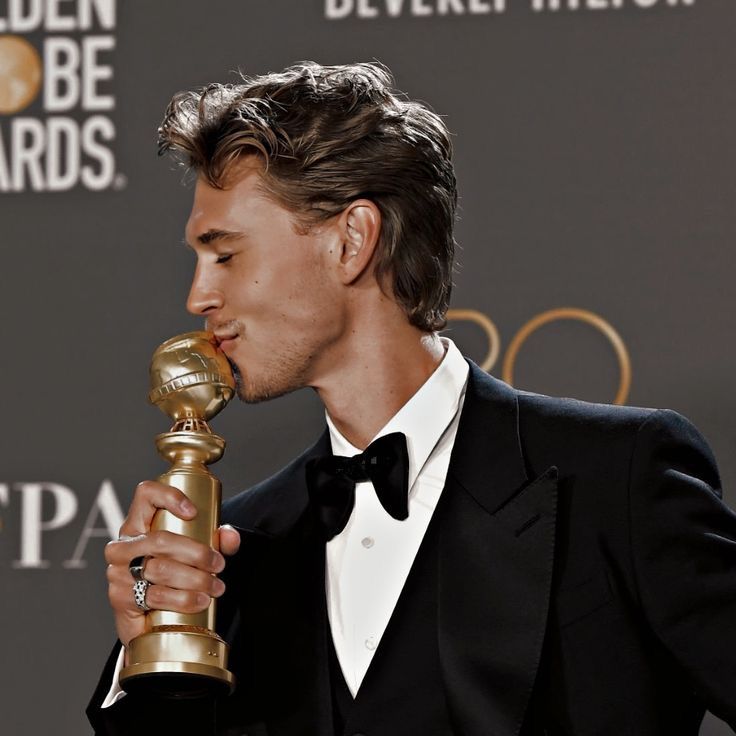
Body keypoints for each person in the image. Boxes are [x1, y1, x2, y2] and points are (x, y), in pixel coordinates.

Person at [88, 62, 736, 736]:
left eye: (224, 254)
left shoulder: (614, 479)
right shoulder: (240, 548)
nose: (198, 297)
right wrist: (147, 646)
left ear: (351, 241)